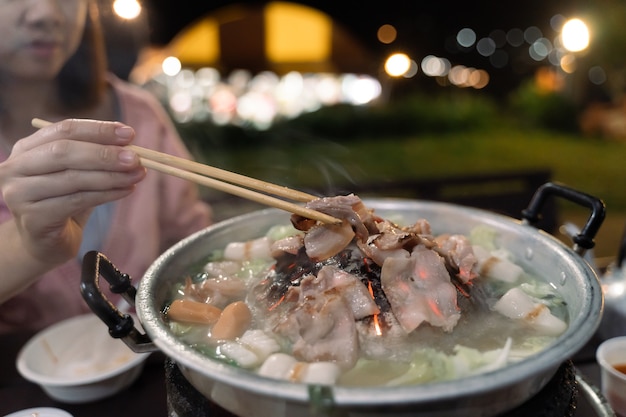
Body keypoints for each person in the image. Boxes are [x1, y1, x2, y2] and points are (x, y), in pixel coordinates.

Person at [0, 0, 212, 333]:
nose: (46, 13)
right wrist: (28, 247)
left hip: (153, 366)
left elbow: (191, 242)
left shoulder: (140, 115)